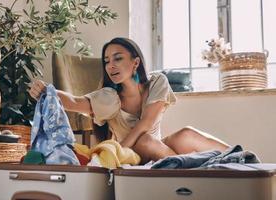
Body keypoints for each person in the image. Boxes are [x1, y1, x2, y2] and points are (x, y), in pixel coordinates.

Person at [29, 37, 229, 164]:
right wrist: (47, 91)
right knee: (144, 141)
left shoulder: (157, 82)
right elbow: (74, 101)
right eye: (107, 61)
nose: (110, 66)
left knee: (184, 134)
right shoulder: (109, 97)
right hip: (133, 153)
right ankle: (190, 170)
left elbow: (147, 123)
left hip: (157, 147)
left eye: (117, 58)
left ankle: (238, 156)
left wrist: (120, 147)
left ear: (136, 62)